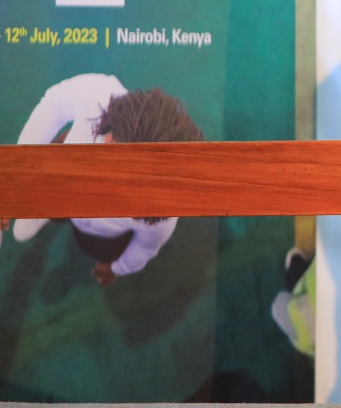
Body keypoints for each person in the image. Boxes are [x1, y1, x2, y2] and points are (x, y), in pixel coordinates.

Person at [4, 74, 203, 284]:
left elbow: (144, 248)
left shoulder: (162, 218)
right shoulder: (98, 93)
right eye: (110, 143)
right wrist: (16, 177)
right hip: (67, 179)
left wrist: (115, 268)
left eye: (120, 173)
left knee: (96, 247)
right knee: (60, 153)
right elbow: (52, 107)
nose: (103, 169)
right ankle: (47, 210)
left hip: (101, 236)